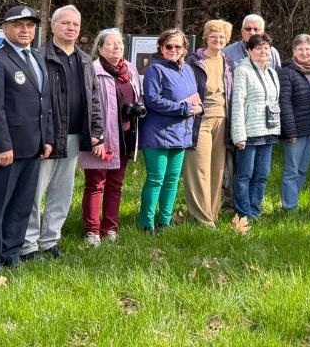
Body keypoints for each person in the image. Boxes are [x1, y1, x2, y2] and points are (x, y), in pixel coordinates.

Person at [24, 5, 105, 260]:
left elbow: (94, 98)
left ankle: (50, 240)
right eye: (65, 23)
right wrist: (40, 134)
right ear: (52, 26)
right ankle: (28, 244)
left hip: (74, 137)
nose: (71, 28)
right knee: (35, 192)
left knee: (62, 192)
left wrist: (97, 131)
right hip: (47, 137)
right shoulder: (39, 56)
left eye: (75, 24)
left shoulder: (85, 60)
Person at [0, 7, 53, 270]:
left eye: (30, 26)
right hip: (7, 147)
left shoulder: (37, 57)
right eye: (18, 25)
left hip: (33, 145)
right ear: (5, 29)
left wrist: (46, 138)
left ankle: (11, 252)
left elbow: (44, 102)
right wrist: (2, 145)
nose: (25, 30)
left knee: (21, 205)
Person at [80, 28, 141, 246]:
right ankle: (92, 231)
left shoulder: (130, 70)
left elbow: (138, 96)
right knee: (96, 184)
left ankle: (110, 228)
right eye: (111, 43)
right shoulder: (93, 70)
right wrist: (95, 137)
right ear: (100, 48)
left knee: (116, 184)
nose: (117, 47)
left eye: (120, 43)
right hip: (102, 138)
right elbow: (86, 107)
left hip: (125, 136)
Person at [139, 29, 202, 232]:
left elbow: (194, 97)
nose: (173, 50)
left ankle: (164, 222)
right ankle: (146, 224)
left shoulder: (188, 70)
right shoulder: (154, 69)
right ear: (161, 47)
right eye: (168, 46)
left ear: (184, 49)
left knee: (172, 181)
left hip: (180, 133)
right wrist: (183, 109)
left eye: (177, 46)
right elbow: (152, 100)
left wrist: (199, 107)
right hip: (157, 133)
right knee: (155, 179)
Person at [182, 20, 234, 227]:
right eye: (213, 36)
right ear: (206, 38)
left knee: (217, 170)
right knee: (198, 168)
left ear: (226, 40)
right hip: (200, 120)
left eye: (222, 37)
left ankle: (212, 214)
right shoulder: (194, 61)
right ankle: (200, 217)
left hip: (222, 119)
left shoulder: (227, 62)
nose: (218, 40)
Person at [231, 33, 281, 220]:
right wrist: (239, 135)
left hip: (268, 131)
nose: (263, 51)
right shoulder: (242, 71)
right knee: (245, 175)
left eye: (266, 48)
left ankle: (255, 211)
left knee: (262, 175)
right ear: (249, 50)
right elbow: (237, 104)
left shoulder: (272, 72)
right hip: (249, 132)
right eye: (258, 48)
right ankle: (243, 213)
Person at [279, 34, 310, 212]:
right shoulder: (287, 72)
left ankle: (292, 201)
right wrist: (290, 131)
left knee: (302, 169)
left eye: (307, 49)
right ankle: (289, 209)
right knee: (291, 170)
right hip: (295, 130)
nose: (304, 53)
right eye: (300, 49)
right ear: (294, 51)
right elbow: (284, 103)